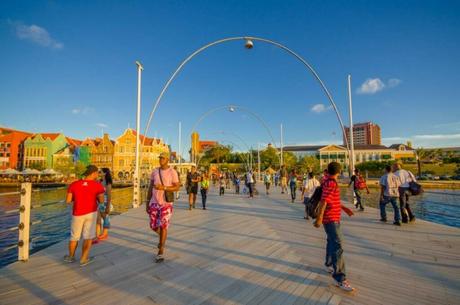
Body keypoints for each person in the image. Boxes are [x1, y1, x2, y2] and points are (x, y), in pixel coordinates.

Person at [314, 162, 355, 292]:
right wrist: (319, 218)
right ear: (339, 171)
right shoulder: (331, 183)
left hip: (333, 217)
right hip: (331, 219)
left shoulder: (327, 181)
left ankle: (329, 263)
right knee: (338, 245)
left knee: (331, 241)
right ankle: (340, 278)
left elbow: (331, 199)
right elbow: (324, 201)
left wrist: (344, 208)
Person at [64, 165, 105, 266]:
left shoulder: (74, 184)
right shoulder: (97, 185)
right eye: (97, 173)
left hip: (77, 213)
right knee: (88, 236)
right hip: (91, 213)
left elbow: (68, 200)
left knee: (74, 236)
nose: (97, 175)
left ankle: (71, 257)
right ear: (93, 173)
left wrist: (78, 198)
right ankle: (83, 259)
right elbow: (101, 200)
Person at [146, 152, 180, 263]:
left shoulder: (172, 172)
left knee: (164, 226)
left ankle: (161, 250)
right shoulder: (155, 171)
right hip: (154, 202)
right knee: (153, 225)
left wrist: (163, 187)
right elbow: (151, 187)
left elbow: (177, 187)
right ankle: (162, 239)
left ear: (167, 160)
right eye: (160, 158)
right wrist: (147, 202)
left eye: (163, 158)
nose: (160, 160)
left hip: (166, 203)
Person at [93, 167, 112, 243]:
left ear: (105, 173)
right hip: (99, 202)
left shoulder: (108, 183)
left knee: (105, 218)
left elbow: (109, 195)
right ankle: (97, 236)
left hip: (104, 202)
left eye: (100, 172)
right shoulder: (100, 181)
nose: (99, 173)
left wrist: (108, 206)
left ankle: (105, 233)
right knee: (97, 219)